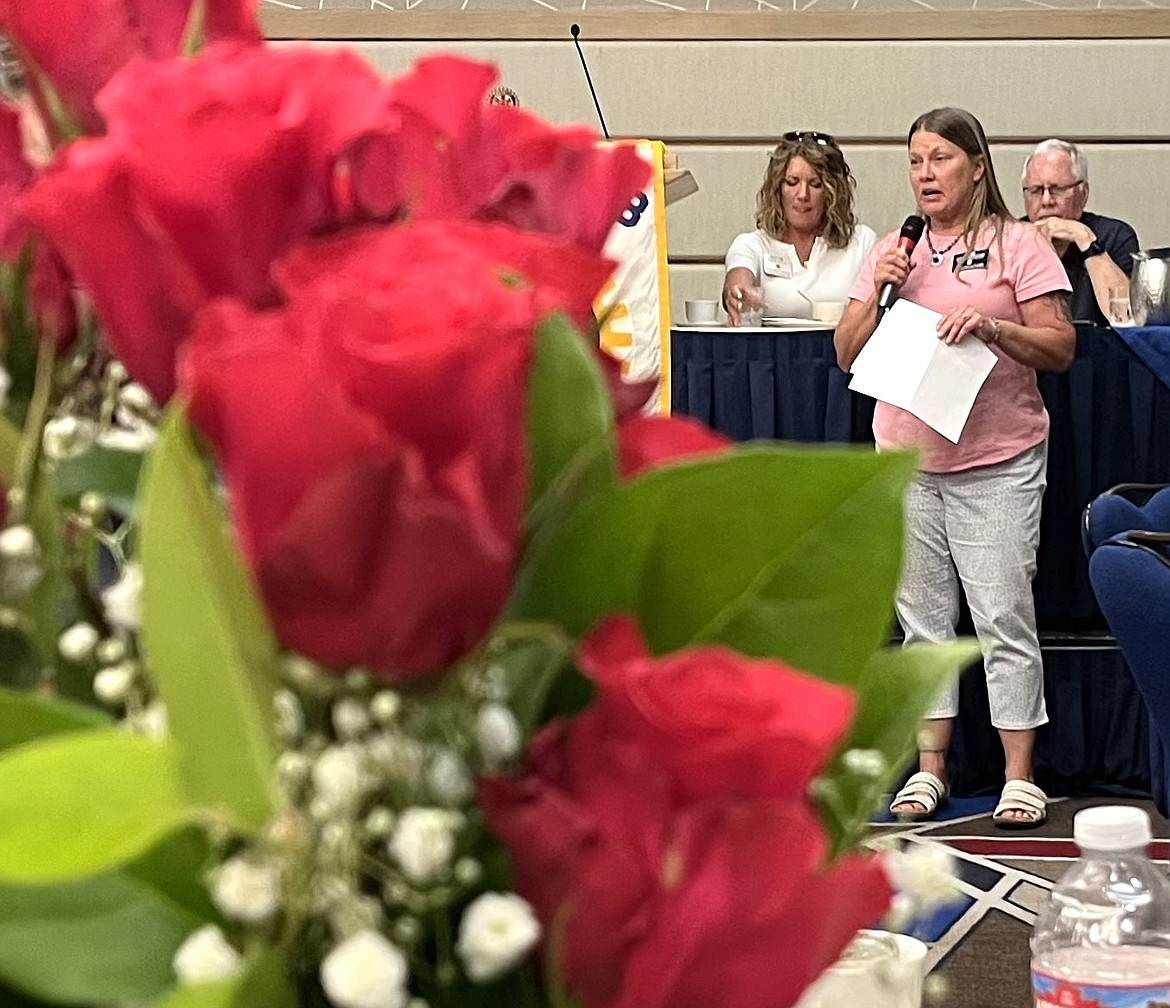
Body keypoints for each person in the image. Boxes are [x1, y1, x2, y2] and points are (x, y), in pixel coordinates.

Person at [834, 108, 1075, 828]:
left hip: (997, 460)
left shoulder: (1019, 243)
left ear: (976, 166)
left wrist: (995, 328)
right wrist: (878, 287)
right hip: (908, 457)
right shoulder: (891, 250)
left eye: (940, 159)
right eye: (915, 161)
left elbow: (1060, 347)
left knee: (1002, 614)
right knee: (922, 623)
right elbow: (846, 352)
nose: (926, 174)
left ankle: (1019, 774)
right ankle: (930, 770)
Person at [723, 132, 875, 324]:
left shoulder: (861, 242)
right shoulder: (752, 244)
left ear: (832, 192)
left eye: (815, 184)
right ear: (778, 188)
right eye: (792, 182)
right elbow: (738, 277)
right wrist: (739, 294)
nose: (803, 195)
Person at [1022, 139, 1139, 325]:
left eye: (1057, 190)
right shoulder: (1009, 239)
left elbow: (1126, 317)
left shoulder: (1115, 235)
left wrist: (1086, 239)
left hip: (1099, 351)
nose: (1046, 201)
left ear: (1083, 193)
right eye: (1035, 191)